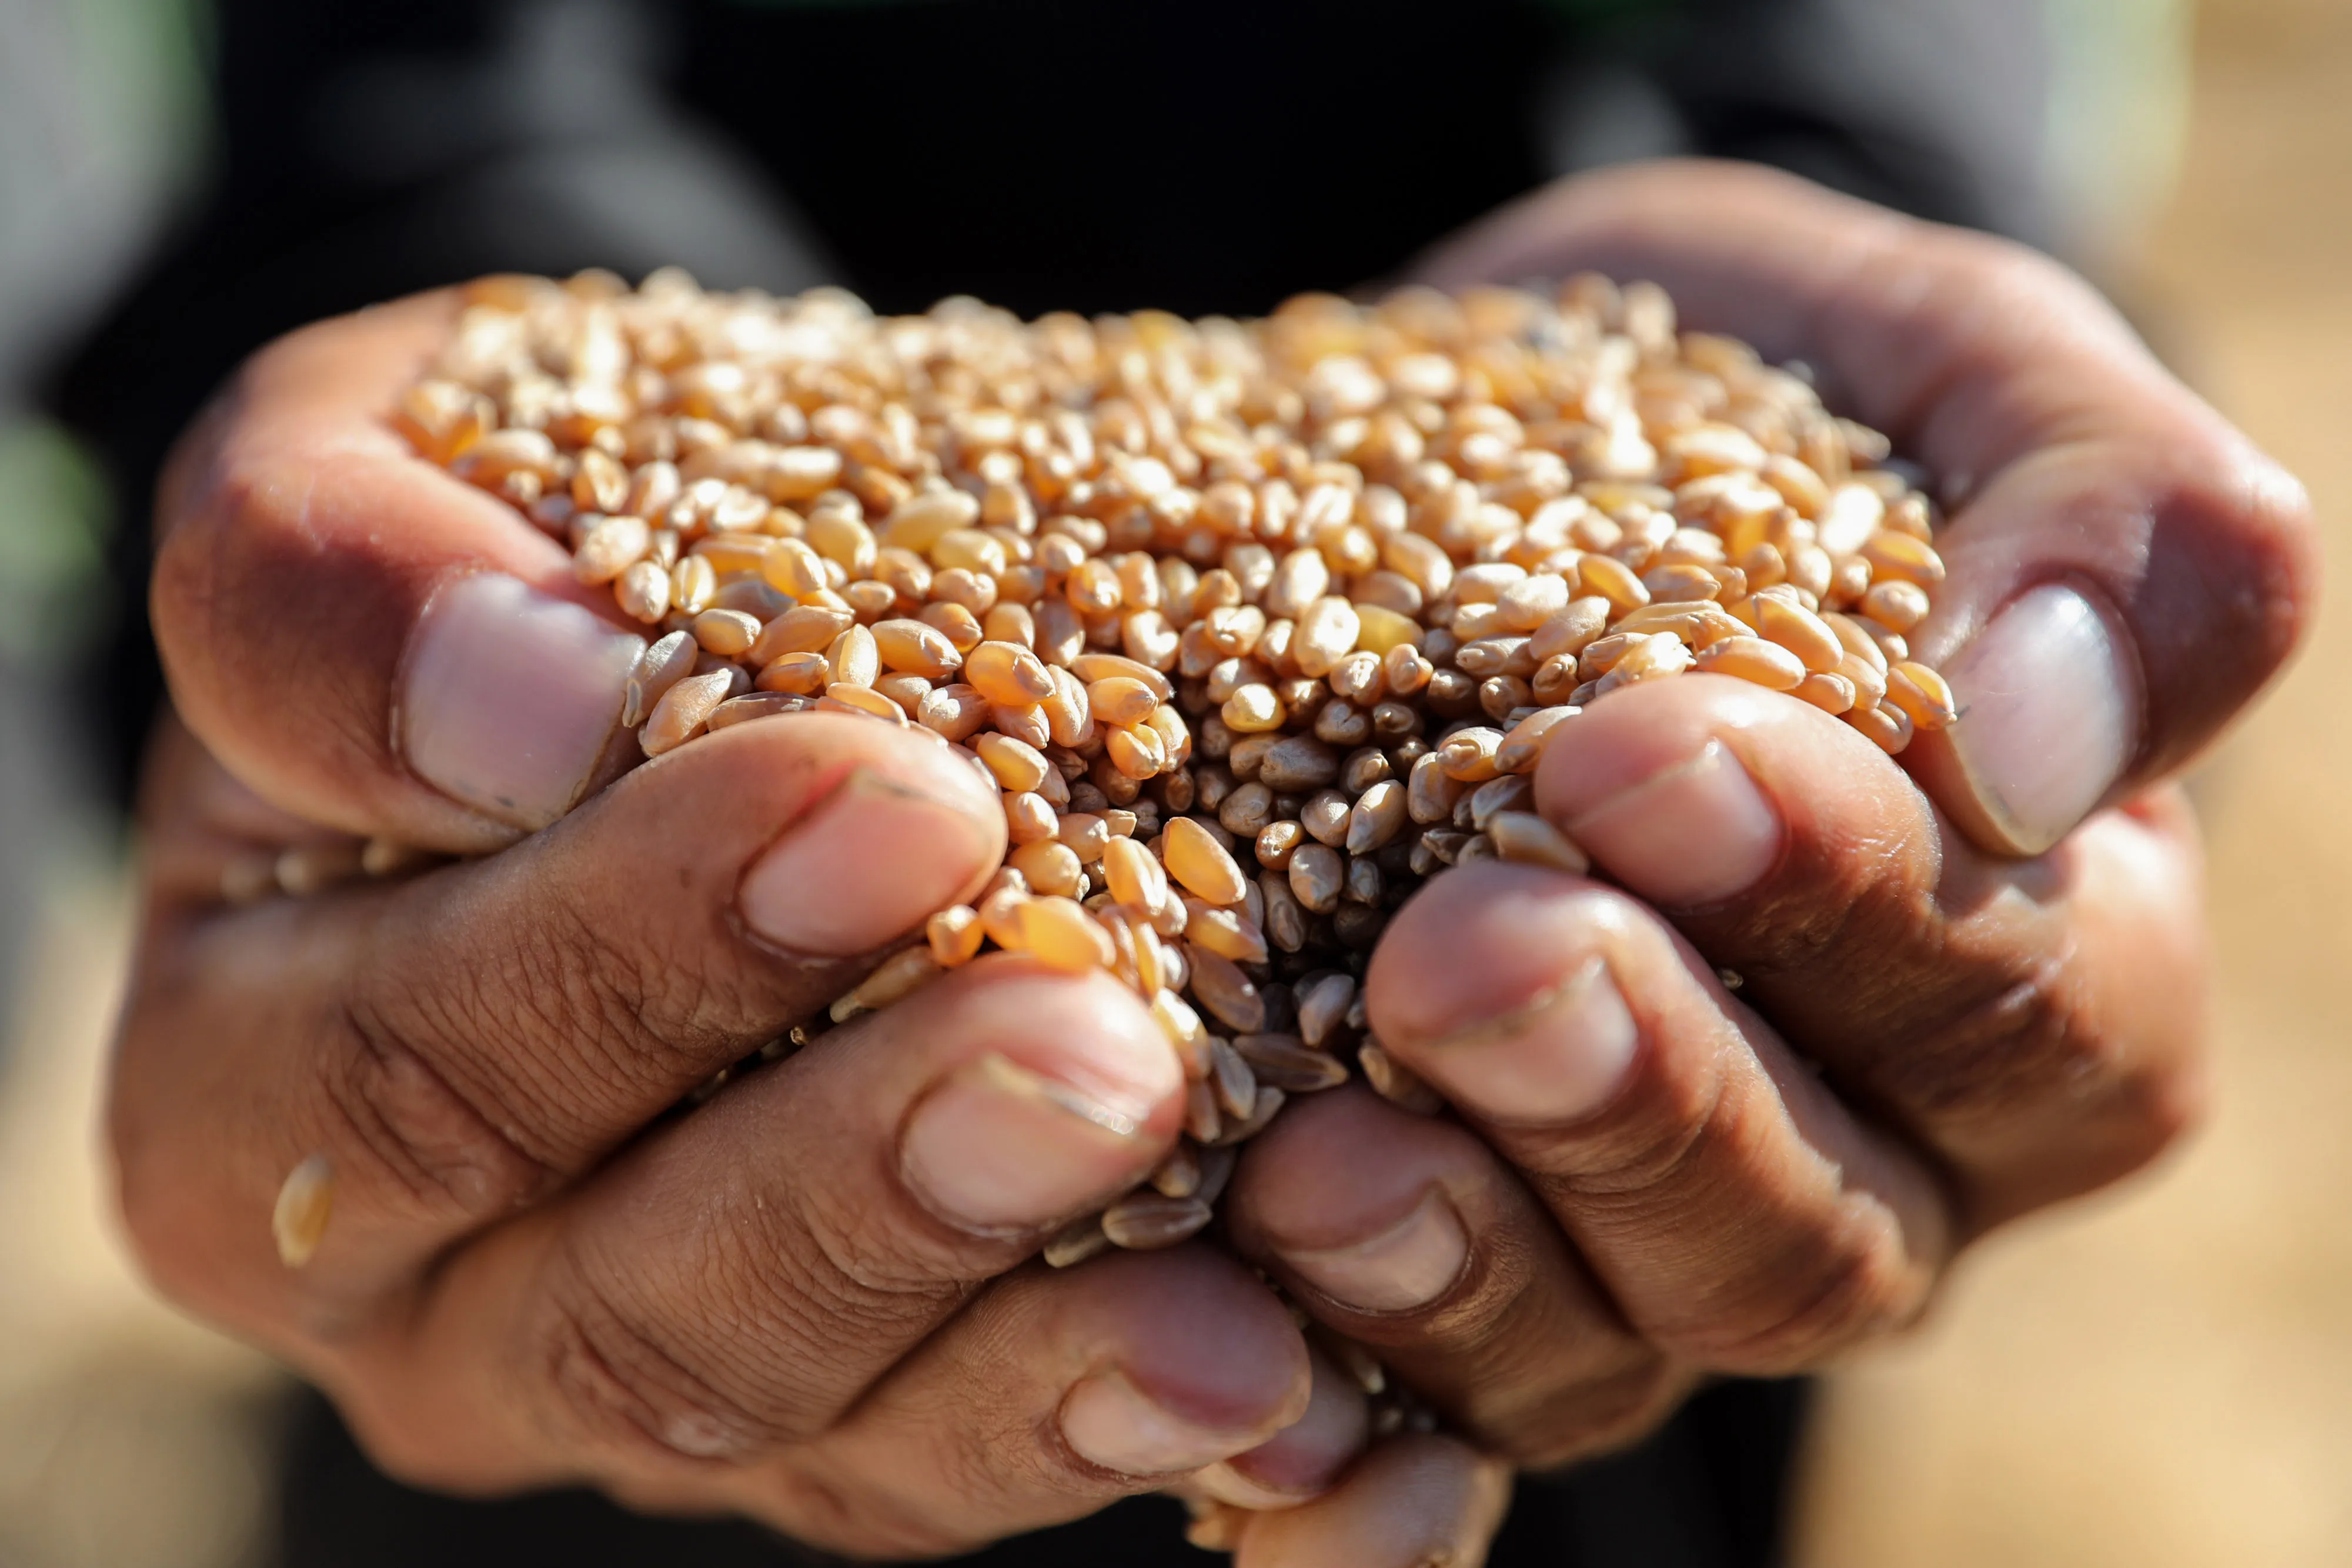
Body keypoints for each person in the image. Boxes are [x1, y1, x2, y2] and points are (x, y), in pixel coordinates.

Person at [49, 5, 2314, 1566]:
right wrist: (428, 335)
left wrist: (1864, 177)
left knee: (1575, 1258)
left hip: (1590, 1239)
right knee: (604, 1290)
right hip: (581, 1223)